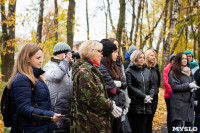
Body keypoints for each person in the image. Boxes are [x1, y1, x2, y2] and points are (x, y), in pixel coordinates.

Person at [7, 44, 63, 133]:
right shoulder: (22, 79)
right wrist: (49, 116)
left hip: (41, 127)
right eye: (38, 58)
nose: (41, 61)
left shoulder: (36, 77)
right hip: (30, 129)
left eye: (42, 57)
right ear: (28, 59)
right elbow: (24, 108)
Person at [71, 40, 122, 133]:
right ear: (91, 52)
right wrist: (111, 105)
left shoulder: (91, 69)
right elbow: (93, 98)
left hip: (94, 122)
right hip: (89, 125)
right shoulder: (84, 72)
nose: (102, 55)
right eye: (100, 51)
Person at [99, 39, 128, 133]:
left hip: (117, 105)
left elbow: (123, 82)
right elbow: (113, 89)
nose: (117, 54)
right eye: (114, 52)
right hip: (111, 107)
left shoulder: (112, 65)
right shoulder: (102, 67)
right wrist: (120, 93)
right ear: (109, 53)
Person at [44, 42, 73, 133]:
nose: (69, 55)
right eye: (67, 53)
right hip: (57, 106)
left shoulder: (68, 65)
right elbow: (56, 76)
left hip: (69, 105)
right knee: (58, 130)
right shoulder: (49, 65)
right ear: (61, 53)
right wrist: (65, 62)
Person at [168, 52, 200, 133]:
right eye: (183, 58)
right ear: (178, 60)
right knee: (177, 127)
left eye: (186, 58)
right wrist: (188, 85)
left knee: (190, 126)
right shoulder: (173, 72)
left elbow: (192, 83)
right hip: (178, 103)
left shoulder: (189, 72)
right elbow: (174, 87)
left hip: (189, 103)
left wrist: (194, 92)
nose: (185, 60)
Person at [125, 50, 155, 133]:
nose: (142, 59)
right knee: (138, 129)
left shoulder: (147, 71)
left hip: (148, 105)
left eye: (143, 58)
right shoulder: (129, 71)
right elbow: (130, 87)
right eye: (140, 57)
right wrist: (143, 96)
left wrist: (150, 96)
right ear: (135, 58)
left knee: (148, 129)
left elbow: (152, 85)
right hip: (136, 106)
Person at [108, 38, 132, 132]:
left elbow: (124, 83)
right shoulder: (106, 64)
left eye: (118, 46)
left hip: (121, 101)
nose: (117, 48)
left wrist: (126, 102)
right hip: (113, 104)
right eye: (115, 46)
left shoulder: (119, 61)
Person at [145, 49, 161, 133]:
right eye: (152, 55)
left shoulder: (156, 69)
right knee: (145, 120)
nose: (154, 57)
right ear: (147, 56)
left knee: (150, 118)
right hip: (145, 97)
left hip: (154, 97)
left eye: (155, 56)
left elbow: (158, 83)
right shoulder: (143, 68)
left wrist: (155, 92)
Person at [163, 54, 176, 133]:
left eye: (176, 59)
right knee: (170, 114)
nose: (174, 61)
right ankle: (170, 130)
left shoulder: (179, 68)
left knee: (176, 114)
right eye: (173, 59)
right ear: (171, 60)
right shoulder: (167, 68)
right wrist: (172, 93)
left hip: (177, 96)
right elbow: (166, 82)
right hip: (169, 96)